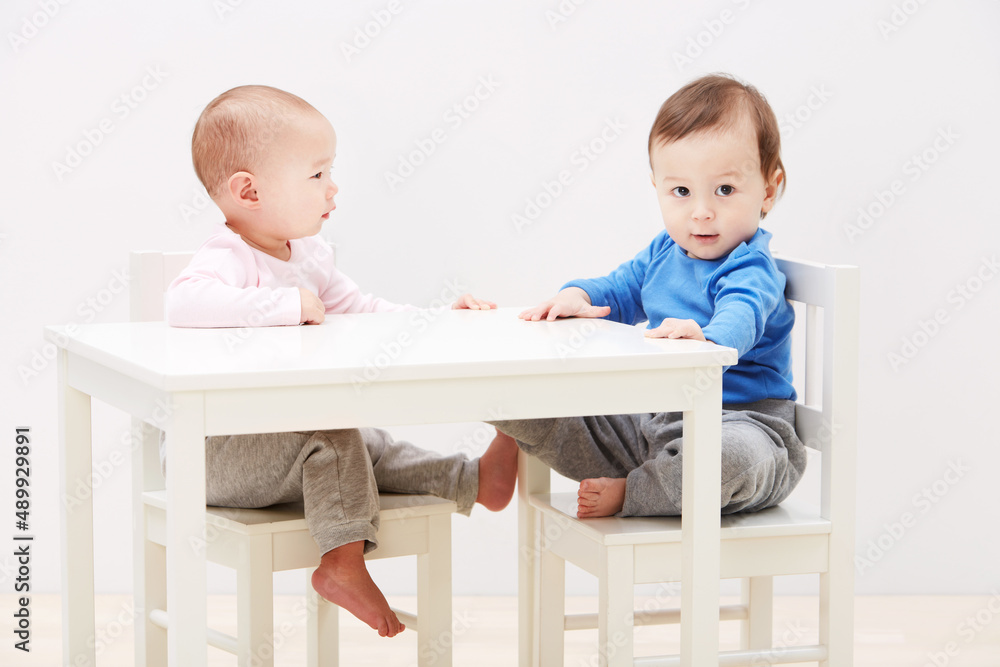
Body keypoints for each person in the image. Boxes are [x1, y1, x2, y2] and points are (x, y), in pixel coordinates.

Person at [165, 85, 518, 638]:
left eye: (331, 171)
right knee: (333, 438)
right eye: (316, 175)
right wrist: (283, 306)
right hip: (214, 459)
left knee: (364, 443)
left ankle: (473, 481)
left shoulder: (310, 256)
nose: (333, 187)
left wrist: (441, 320)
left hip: (282, 447)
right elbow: (183, 302)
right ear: (249, 191)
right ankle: (342, 563)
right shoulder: (227, 258)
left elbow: (365, 311)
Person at [489, 73, 805, 520]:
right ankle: (652, 474)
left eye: (725, 190)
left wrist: (709, 337)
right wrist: (578, 295)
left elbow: (744, 313)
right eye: (681, 191)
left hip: (742, 424)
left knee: (724, 461)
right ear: (657, 187)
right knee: (522, 399)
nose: (701, 211)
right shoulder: (664, 252)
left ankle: (637, 492)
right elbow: (620, 288)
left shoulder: (751, 267)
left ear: (768, 191)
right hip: (654, 424)